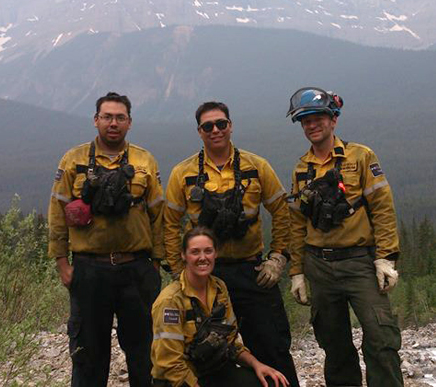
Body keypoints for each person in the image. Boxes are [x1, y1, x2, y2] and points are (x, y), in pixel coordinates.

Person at [162, 102, 299, 387]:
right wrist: (178, 271)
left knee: (272, 347)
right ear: (199, 131)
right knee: (206, 350)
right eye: (208, 126)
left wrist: (278, 257)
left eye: (221, 124)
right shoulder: (183, 173)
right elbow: (169, 223)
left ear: (231, 125)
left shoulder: (256, 166)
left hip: (252, 272)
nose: (216, 130)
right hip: (204, 277)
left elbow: (282, 211)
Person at [286, 87, 403, 387]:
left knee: (381, 338)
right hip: (319, 266)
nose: (311, 125)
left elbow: (382, 208)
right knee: (334, 345)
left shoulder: (361, 157)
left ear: (333, 120)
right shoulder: (302, 168)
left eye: (317, 118)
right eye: (305, 121)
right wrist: (297, 272)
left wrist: (386, 257)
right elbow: (297, 222)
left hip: (359, 262)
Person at [48, 92, 164, 387]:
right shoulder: (73, 159)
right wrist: (62, 263)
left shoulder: (144, 160)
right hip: (89, 269)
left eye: (120, 118)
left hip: (137, 268)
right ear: (96, 120)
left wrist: (158, 263)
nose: (114, 123)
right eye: (108, 117)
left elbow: (159, 216)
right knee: (88, 355)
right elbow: (57, 212)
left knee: (145, 354)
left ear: (130, 122)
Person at [151, 226, 289, 387]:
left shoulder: (219, 289)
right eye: (195, 252)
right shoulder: (170, 301)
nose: (203, 257)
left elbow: (231, 343)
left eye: (208, 251)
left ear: (215, 254)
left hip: (213, 372)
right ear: (184, 255)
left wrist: (257, 365)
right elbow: (170, 365)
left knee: (271, 382)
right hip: (180, 380)